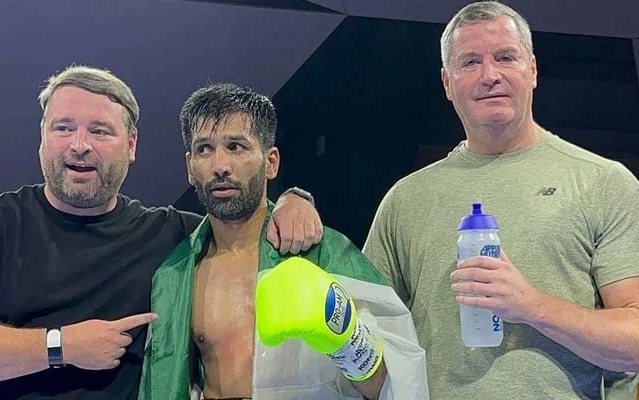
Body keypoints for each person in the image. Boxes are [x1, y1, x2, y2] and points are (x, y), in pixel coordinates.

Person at [0, 65, 323, 400]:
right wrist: (62, 346)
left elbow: (245, 221)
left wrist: (294, 199)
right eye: (63, 127)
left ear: (131, 145)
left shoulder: (173, 235)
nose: (80, 144)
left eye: (100, 131)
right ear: (42, 137)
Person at [363, 2, 639, 399]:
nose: (490, 75)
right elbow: (370, 341)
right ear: (447, 82)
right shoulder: (405, 200)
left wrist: (532, 306)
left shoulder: (602, 183)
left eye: (505, 57)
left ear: (532, 70)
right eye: (470, 62)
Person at [137, 83, 428, 400]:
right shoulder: (176, 275)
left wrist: (346, 339)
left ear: (271, 162)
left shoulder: (324, 254)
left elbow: (398, 385)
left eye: (236, 146)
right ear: (190, 167)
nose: (220, 165)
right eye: (205, 149)